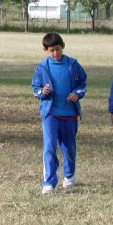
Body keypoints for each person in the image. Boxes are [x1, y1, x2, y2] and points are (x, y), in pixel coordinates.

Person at [32, 32, 87, 194]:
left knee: (69, 147)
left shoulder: (73, 65)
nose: (55, 53)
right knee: (49, 146)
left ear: (63, 47)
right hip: (50, 114)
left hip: (69, 114)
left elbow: (83, 83)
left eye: (58, 49)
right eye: (51, 50)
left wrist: (77, 92)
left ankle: (69, 176)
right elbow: (35, 89)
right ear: (45, 51)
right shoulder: (42, 68)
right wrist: (43, 91)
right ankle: (49, 182)